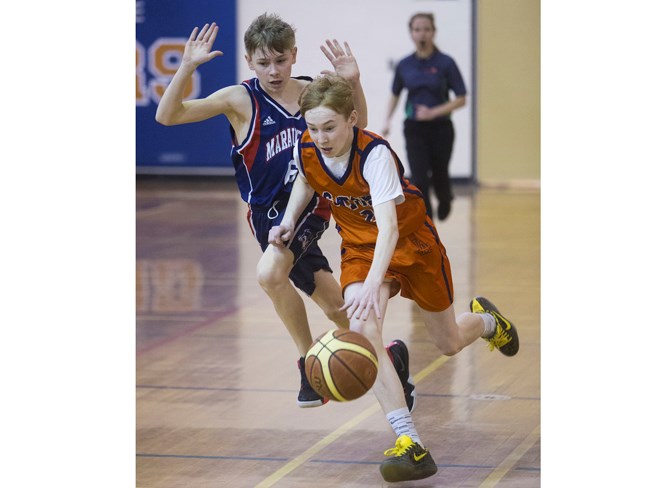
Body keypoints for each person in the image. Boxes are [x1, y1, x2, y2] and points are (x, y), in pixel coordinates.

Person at [155, 15, 415, 410]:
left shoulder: (313, 94)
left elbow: (357, 128)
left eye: (280, 60)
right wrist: (187, 66)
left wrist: (356, 84)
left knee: (269, 272)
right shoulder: (240, 100)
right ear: (249, 61)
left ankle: (307, 361)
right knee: (336, 308)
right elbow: (167, 116)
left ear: (294, 55)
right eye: (263, 63)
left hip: (309, 208)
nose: (273, 71)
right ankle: (390, 357)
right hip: (264, 216)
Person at [269, 75, 519, 483]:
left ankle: (488, 321)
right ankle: (410, 443)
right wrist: (287, 220)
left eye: (329, 127)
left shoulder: (375, 156)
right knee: (366, 332)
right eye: (313, 128)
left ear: (352, 119)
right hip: (360, 248)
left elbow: (389, 228)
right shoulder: (308, 147)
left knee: (449, 343)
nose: (321, 137)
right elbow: (306, 179)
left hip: (411, 245)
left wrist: (372, 282)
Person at [382, 12, 467, 221]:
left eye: (426, 29)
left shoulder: (446, 63)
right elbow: (395, 94)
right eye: (417, 29)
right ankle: (427, 221)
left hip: (441, 128)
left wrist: (434, 113)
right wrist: (387, 120)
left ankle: (445, 198)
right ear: (411, 33)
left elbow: (461, 98)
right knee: (419, 177)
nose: (422, 34)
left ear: (433, 32)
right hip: (414, 128)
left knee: (440, 173)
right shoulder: (404, 64)